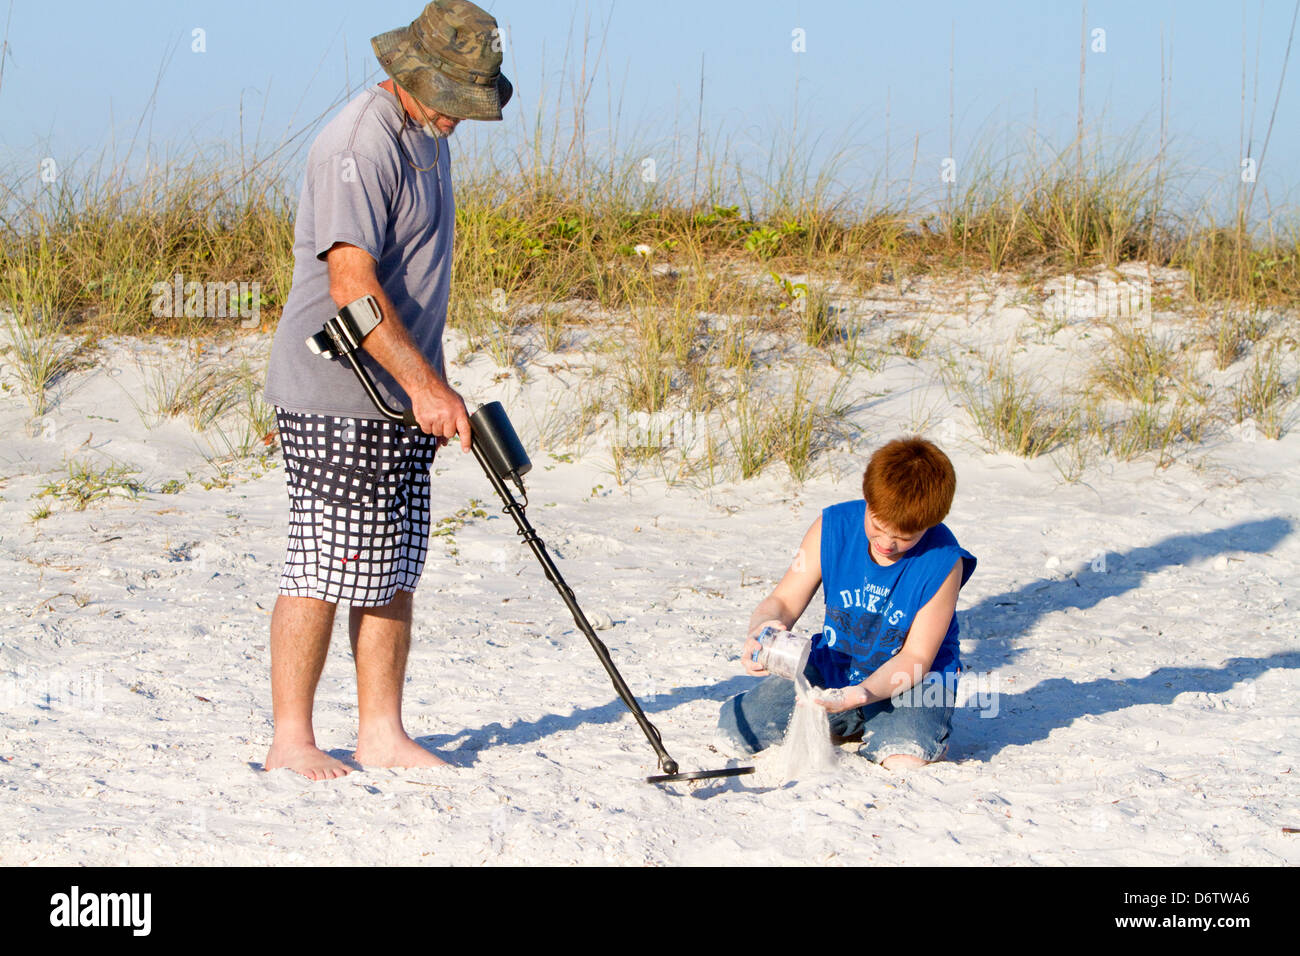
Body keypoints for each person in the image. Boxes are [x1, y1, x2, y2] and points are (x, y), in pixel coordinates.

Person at [261, 1, 512, 780]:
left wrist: (425, 388)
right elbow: (352, 288)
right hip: (333, 389)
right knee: (324, 562)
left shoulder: (429, 133)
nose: (459, 116)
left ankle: (381, 732)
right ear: (410, 73)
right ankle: (291, 740)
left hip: (399, 394)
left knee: (394, 563)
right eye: (452, 97)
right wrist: (424, 387)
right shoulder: (358, 144)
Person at [717, 437, 977, 770]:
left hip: (911, 682)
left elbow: (916, 658)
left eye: (905, 538)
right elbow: (782, 600)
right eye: (878, 527)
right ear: (868, 501)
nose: (886, 543)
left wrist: (863, 694)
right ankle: (852, 721)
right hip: (836, 667)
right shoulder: (834, 525)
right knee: (736, 732)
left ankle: (872, 720)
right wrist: (762, 630)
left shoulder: (944, 561)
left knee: (904, 758)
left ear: (930, 523)